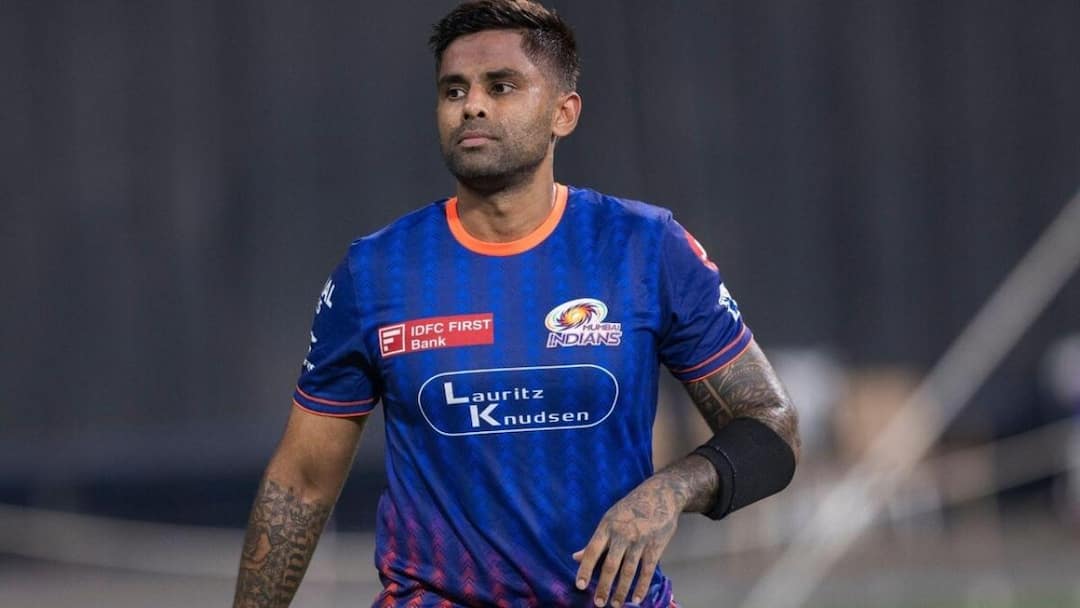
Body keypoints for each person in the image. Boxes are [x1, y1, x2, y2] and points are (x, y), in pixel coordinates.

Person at [232, 1, 799, 607]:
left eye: (501, 86)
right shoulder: (374, 273)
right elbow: (301, 483)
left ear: (564, 113)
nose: (472, 105)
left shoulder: (646, 249)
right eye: (454, 90)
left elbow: (771, 426)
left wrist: (671, 490)